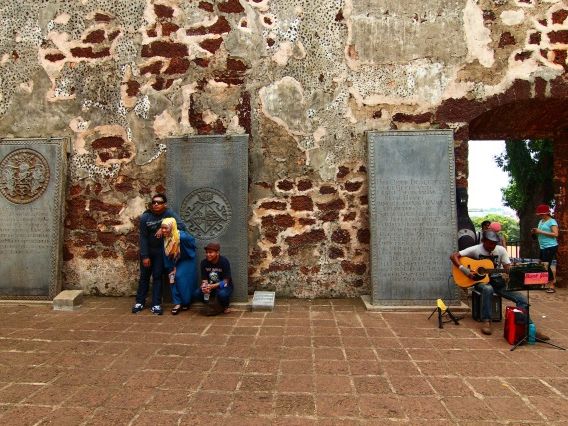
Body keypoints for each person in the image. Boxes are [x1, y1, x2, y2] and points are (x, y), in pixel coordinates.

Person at [450, 230, 549, 339]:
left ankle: (529, 327)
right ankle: (487, 321)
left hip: (498, 282)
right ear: (483, 241)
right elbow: (453, 256)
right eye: (490, 243)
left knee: (522, 299)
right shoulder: (475, 249)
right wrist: (464, 270)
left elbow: (507, 268)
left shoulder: (501, 250)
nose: (492, 246)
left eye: (494, 243)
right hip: (480, 281)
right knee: (488, 289)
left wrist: (513, 273)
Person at [132, 193, 188, 315]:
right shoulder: (146, 217)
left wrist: (164, 227)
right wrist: (145, 256)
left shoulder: (168, 214)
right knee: (144, 277)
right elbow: (143, 237)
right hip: (148, 250)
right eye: (154, 202)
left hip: (160, 252)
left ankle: (156, 304)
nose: (156, 204)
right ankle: (139, 302)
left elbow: (182, 226)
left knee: (158, 277)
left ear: (165, 204)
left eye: (159, 202)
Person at [161, 218, 198, 315]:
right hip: (172, 261)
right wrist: (172, 266)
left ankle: (186, 301)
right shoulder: (165, 238)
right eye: (162, 228)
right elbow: (166, 253)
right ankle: (177, 303)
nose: (163, 230)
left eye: (166, 228)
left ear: (172, 227)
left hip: (185, 259)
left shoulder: (182, 236)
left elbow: (192, 243)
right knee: (172, 278)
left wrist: (181, 253)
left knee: (180, 276)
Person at [193, 242, 233, 314]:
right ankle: (211, 305)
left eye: (210, 252)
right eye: (206, 252)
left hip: (224, 286)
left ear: (217, 253)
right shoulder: (204, 263)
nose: (208, 254)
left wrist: (212, 286)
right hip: (210, 287)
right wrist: (204, 287)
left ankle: (225, 306)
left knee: (222, 294)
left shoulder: (224, 261)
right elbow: (204, 280)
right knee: (197, 293)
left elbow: (226, 281)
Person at [531, 204, 558, 293]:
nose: (540, 215)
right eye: (539, 214)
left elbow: (556, 234)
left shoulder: (552, 221)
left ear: (546, 213)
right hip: (543, 246)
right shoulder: (541, 221)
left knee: (546, 265)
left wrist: (541, 231)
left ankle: (552, 285)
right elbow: (540, 232)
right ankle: (544, 282)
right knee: (543, 265)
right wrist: (535, 232)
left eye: (541, 214)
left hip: (550, 246)